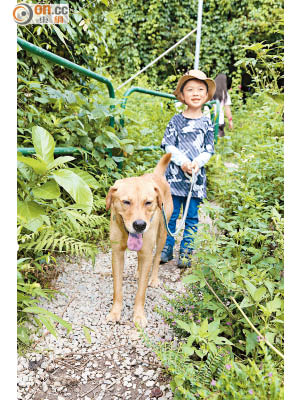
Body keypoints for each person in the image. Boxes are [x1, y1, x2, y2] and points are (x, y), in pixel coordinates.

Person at [160, 70, 216, 268]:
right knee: (171, 214)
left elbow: (209, 149)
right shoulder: (176, 120)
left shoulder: (207, 122)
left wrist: (197, 163)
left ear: (207, 95)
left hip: (196, 179)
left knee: (191, 216)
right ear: (182, 95)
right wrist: (182, 161)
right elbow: (168, 145)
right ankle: (166, 248)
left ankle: (186, 251)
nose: (196, 93)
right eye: (190, 89)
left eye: (201, 89)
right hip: (174, 178)